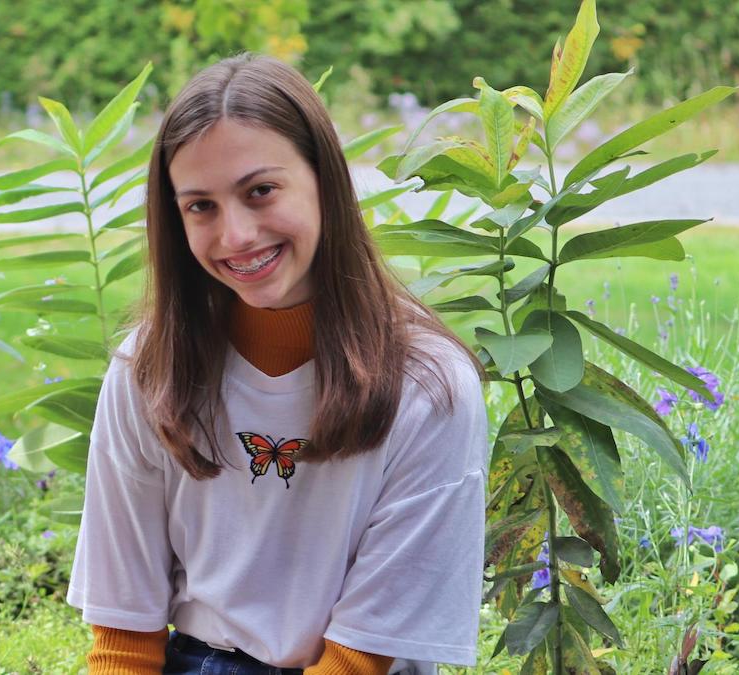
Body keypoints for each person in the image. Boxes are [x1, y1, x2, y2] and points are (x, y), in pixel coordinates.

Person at [66, 53, 489, 675]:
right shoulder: (148, 369)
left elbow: (363, 656)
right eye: (200, 206)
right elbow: (123, 640)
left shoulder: (429, 385)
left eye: (260, 191)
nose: (236, 235)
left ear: (325, 181)